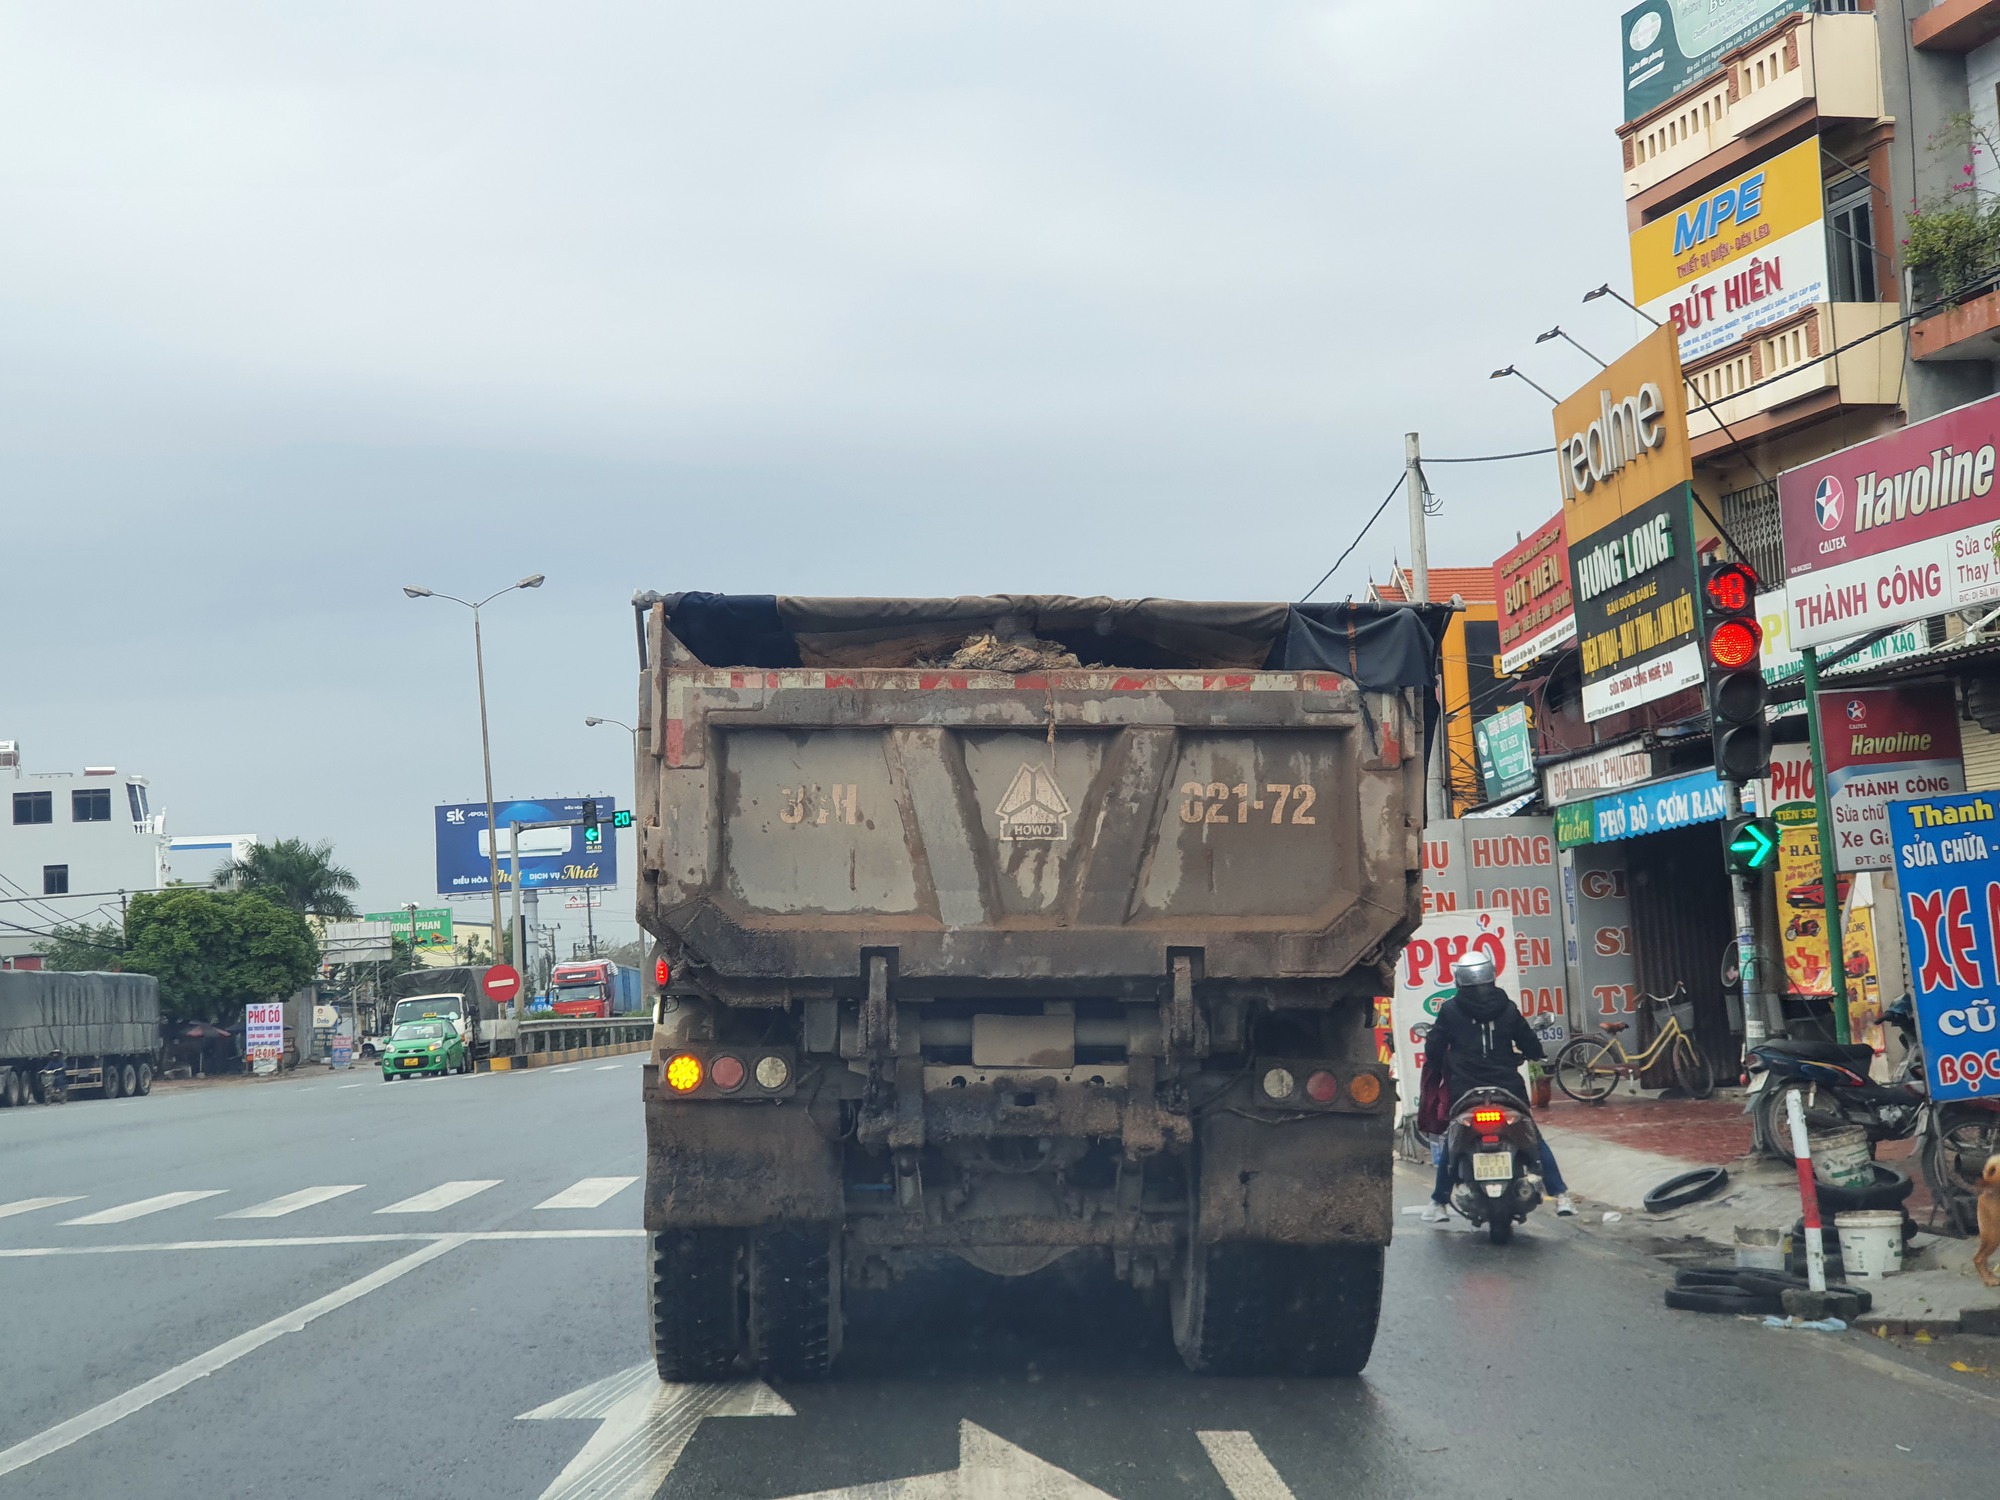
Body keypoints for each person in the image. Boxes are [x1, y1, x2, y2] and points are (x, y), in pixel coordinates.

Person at [1418, 952, 1574, 1222]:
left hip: (1465, 1088)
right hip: (1507, 1087)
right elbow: (1528, 1041)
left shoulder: (1450, 1010)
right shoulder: (1507, 1007)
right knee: (1532, 1138)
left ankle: (1439, 1202)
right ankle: (1561, 1196)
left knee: (1454, 1141)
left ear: (1460, 980)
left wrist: (1437, 1062)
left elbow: (1434, 1046)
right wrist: (1535, 1053)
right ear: (1491, 975)